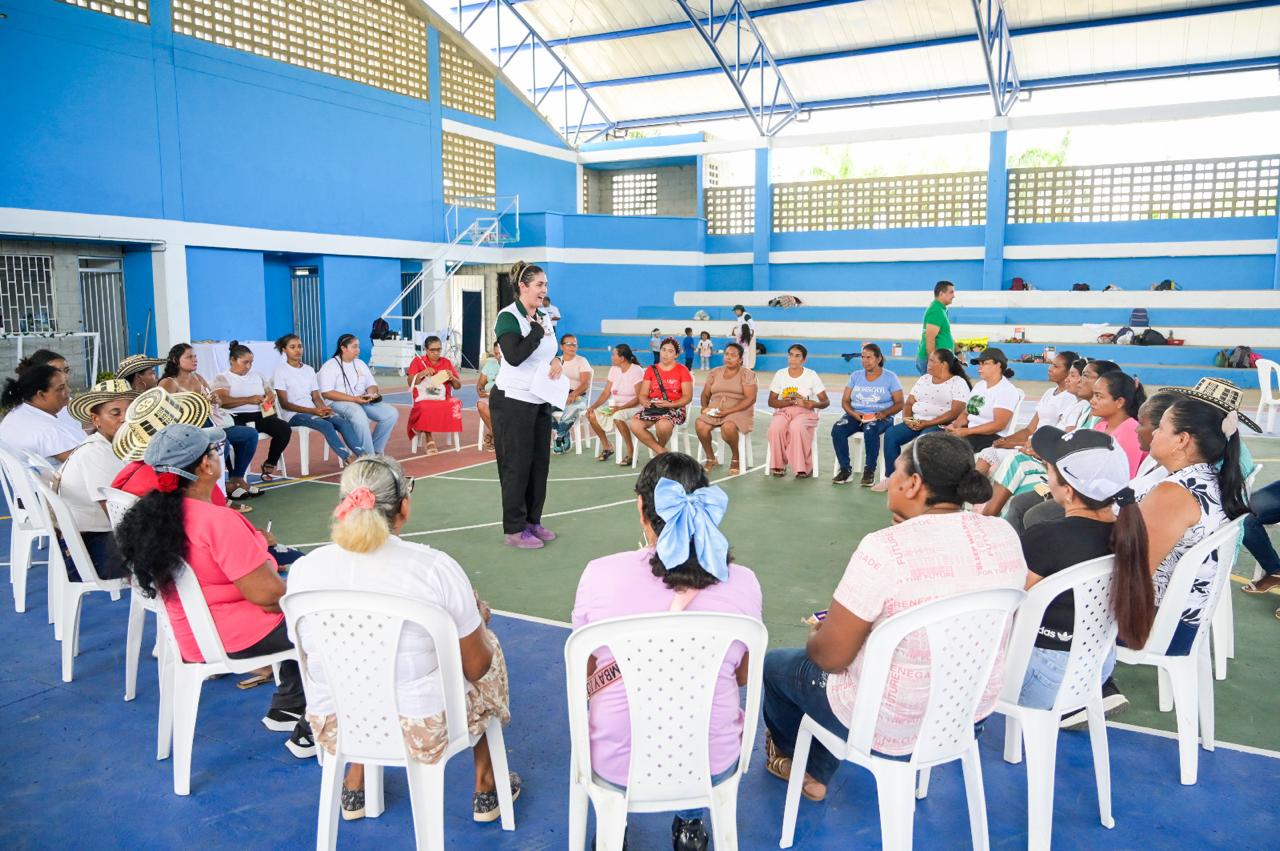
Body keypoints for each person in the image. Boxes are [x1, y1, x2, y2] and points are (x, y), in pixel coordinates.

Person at [761, 432, 1026, 801]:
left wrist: (818, 635)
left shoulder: (885, 548)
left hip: (890, 725)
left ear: (913, 483)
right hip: (967, 715)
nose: (889, 481)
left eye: (895, 471)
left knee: (778, 667)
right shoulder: (1003, 534)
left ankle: (806, 767)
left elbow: (831, 658)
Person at [285, 456, 518, 823]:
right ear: (403, 507)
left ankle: (355, 779)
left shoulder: (303, 571)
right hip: (421, 727)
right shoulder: (433, 569)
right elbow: (476, 665)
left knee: (354, 668)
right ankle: (487, 784)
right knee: (488, 650)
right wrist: (477, 622)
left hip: (336, 723)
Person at [572, 452, 762, 851]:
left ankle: (614, 823)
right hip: (712, 760)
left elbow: (586, 673)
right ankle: (691, 825)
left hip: (617, 760)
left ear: (642, 508)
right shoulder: (742, 582)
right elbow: (742, 675)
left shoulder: (599, 573)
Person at [114, 423, 315, 757]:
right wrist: (275, 571)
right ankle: (313, 727)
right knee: (329, 621)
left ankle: (289, 704)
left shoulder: (157, 517)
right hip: (236, 635)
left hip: (191, 631)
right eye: (214, 452)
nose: (217, 456)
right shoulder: (217, 521)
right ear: (205, 466)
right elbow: (267, 597)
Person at [1016, 427, 1155, 710]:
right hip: (1097, 670)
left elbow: (1013, 607)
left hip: (1042, 679)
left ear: (1067, 491)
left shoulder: (1045, 537)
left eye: (1049, 470)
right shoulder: (1129, 535)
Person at [1139, 379, 1256, 654]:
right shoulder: (1213, 477)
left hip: (1161, 626)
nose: (1154, 432)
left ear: (1182, 440)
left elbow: (1134, 573)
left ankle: (1101, 685)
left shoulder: (1173, 494)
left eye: (1162, 428)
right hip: (1188, 618)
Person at [989, 358, 1118, 523]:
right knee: (1015, 472)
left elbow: (1079, 458)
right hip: (1063, 470)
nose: (1079, 380)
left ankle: (988, 518)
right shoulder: (1085, 409)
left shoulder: (1099, 420)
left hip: (1075, 482)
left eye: (1085, 376)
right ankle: (991, 519)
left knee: (1018, 470)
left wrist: (1044, 455)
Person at [491, 261, 562, 550]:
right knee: (516, 466)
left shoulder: (544, 315)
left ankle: (533, 520)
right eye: (539, 285)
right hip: (513, 401)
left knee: (538, 465)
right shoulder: (507, 318)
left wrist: (558, 361)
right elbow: (515, 356)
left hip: (539, 399)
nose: (544, 290)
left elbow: (550, 351)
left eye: (545, 285)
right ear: (523, 287)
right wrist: (534, 332)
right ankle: (514, 528)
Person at [55, 380, 137, 580]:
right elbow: (115, 513)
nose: (125, 419)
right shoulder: (95, 453)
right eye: (115, 413)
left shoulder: (111, 445)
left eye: (130, 412)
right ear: (96, 419)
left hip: (96, 538)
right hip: (91, 551)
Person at [161, 343, 262, 503]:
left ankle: (237, 478)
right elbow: (164, 412)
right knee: (223, 443)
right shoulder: (168, 383)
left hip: (211, 424)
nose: (195, 359)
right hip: (189, 430)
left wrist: (215, 399)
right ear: (175, 360)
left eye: (195, 356)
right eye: (189, 357)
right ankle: (219, 490)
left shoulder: (198, 378)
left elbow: (218, 401)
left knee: (249, 434)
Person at [975, 350, 1080, 476]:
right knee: (988, 452)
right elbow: (1030, 429)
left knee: (989, 457)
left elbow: (1057, 437)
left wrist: (1014, 444)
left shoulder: (1071, 398)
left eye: (1056, 366)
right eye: (1051, 364)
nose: (1050, 369)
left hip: (1041, 450)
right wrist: (1006, 440)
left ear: (1069, 372)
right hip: (1029, 444)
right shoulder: (1049, 392)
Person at [878, 348, 970, 491]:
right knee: (891, 434)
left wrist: (928, 423)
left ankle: (920, 482)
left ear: (944, 365)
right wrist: (907, 419)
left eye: (932, 361)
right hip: (917, 421)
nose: (928, 363)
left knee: (922, 442)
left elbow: (955, 412)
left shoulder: (958, 382)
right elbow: (909, 403)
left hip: (940, 424)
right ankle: (892, 478)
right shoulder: (924, 379)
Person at [271, 334, 358, 466]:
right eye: (292, 347)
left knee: (342, 422)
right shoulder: (280, 372)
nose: (297, 350)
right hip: (293, 415)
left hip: (313, 411)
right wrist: (313, 411)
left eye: (299, 346)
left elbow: (316, 397)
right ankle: (348, 459)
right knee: (326, 425)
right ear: (284, 350)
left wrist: (324, 409)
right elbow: (285, 404)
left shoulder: (309, 370)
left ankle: (363, 456)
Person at [212, 341, 293, 482]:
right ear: (232, 360)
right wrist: (248, 399)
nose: (248, 366)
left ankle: (270, 463)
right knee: (241, 437)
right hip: (235, 416)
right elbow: (223, 401)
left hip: (260, 414)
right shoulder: (223, 378)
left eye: (251, 362)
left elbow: (269, 392)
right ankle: (235, 475)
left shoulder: (258, 375)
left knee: (284, 428)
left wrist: (269, 397)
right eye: (245, 362)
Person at [831, 343, 904, 487]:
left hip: (881, 416)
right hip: (856, 415)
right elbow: (845, 401)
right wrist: (853, 413)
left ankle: (869, 470)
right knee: (838, 429)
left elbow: (900, 403)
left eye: (869, 357)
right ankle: (845, 470)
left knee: (870, 430)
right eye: (863, 357)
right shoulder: (855, 376)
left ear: (878, 359)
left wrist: (884, 413)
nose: (865, 360)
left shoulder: (890, 377)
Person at [318, 334, 399, 456]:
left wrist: (371, 394)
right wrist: (354, 399)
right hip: (338, 402)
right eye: (354, 347)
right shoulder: (330, 366)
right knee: (358, 414)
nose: (358, 350)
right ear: (343, 348)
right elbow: (327, 393)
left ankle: (376, 450)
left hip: (362, 400)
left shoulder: (360, 363)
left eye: (358, 347)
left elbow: (372, 385)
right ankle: (368, 457)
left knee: (391, 414)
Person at [693, 342, 758, 476]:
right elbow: (705, 394)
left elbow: (750, 399)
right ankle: (711, 458)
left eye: (733, 355)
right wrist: (704, 407)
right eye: (726, 354)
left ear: (740, 359)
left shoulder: (747, 374)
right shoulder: (715, 372)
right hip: (716, 409)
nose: (728, 357)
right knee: (700, 424)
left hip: (740, 410)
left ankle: (736, 458)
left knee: (728, 427)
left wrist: (729, 411)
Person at [766, 344, 829, 478]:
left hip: (805, 412)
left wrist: (811, 403)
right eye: (790, 355)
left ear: (804, 360)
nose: (793, 359)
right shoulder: (780, 374)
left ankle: (803, 467)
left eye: (797, 356)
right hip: (784, 411)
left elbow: (825, 402)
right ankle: (778, 464)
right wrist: (790, 401)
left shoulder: (811, 375)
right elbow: (771, 401)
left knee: (796, 427)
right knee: (775, 428)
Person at [629, 337, 694, 458]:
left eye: (670, 351)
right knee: (634, 424)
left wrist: (670, 404)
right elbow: (643, 394)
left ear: (676, 355)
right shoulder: (651, 369)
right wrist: (645, 402)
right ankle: (661, 451)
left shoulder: (682, 370)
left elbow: (687, 397)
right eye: (663, 350)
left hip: (675, 407)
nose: (665, 354)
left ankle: (659, 449)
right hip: (654, 407)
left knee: (663, 425)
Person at [944, 347, 1019, 452]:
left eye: (985, 363)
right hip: (971, 432)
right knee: (938, 442)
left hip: (992, 436)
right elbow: (966, 413)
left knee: (949, 450)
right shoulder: (980, 385)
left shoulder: (1006, 390)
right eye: (979, 364)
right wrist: (954, 426)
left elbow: (998, 425)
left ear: (998, 365)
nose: (980, 368)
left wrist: (967, 431)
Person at [0, 364, 79, 463]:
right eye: (61, 388)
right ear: (41, 394)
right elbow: (84, 464)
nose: (68, 391)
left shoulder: (19, 411)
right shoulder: (47, 429)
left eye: (67, 385)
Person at [585, 344, 645, 466]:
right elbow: (606, 392)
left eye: (614, 354)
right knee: (592, 415)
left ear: (622, 358)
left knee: (618, 416)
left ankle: (631, 453)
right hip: (616, 407)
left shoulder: (636, 370)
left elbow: (639, 398)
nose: (612, 357)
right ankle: (607, 446)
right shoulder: (613, 370)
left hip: (635, 407)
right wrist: (593, 406)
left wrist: (620, 408)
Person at [12, 349, 87, 447]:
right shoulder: (37, 417)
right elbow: (74, 455)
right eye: (56, 372)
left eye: (66, 371)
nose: (65, 377)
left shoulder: (68, 403)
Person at [405, 335, 462, 455]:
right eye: (432, 350)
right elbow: (410, 382)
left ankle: (418, 426)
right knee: (426, 407)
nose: (436, 353)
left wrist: (452, 377)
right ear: (426, 350)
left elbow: (457, 386)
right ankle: (429, 438)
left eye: (439, 349)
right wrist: (422, 373)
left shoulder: (446, 362)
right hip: (423, 397)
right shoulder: (418, 361)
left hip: (442, 397)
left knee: (455, 403)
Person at [1089, 371, 1148, 477]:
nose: (1092, 401)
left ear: (1120, 402)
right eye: (1093, 395)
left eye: (1099, 396)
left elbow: (1124, 478)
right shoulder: (1101, 425)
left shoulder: (1131, 431)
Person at [552, 334, 594, 455]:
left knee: (573, 407)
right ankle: (563, 432)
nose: (572, 347)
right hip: (559, 395)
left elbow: (585, 383)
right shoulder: (557, 362)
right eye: (569, 344)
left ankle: (558, 436)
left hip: (578, 395)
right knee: (540, 407)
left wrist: (574, 394)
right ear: (562, 346)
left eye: (574, 344)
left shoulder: (582, 361)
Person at [916, 280, 956, 375]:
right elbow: (930, 339)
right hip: (935, 361)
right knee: (931, 389)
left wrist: (958, 352)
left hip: (940, 360)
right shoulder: (936, 310)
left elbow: (946, 335)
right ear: (941, 294)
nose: (954, 296)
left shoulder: (941, 309)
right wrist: (933, 363)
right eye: (951, 292)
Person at [476, 342, 502, 452]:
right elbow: (480, 384)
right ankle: (497, 435)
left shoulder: (513, 366)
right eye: (496, 354)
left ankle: (493, 434)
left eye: (501, 354)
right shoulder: (490, 364)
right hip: (489, 397)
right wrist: (480, 390)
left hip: (506, 399)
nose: (498, 357)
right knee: (480, 405)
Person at [731, 305, 757, 370]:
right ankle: (744, 366)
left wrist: (752, 334)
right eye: (735, 311)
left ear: (741, 310)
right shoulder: (739, 317)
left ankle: (749, 366)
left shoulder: (746, 315)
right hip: (742, 335)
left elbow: (752, 324)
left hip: (749, 335)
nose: (735, 312)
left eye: (736, 311)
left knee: (749, 351)